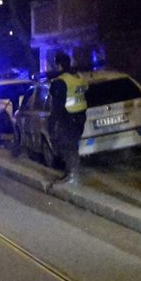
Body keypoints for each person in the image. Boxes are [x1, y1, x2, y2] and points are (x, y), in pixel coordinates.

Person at [47, 52, 88, 183]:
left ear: (58, 65)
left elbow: (57, 105)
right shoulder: (78, 77)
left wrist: (52, 123)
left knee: (66, 145)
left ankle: (72, 175)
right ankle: (72, 173)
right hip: (80, 116)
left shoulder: (61, 81)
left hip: (67, 117)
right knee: (73, 145)